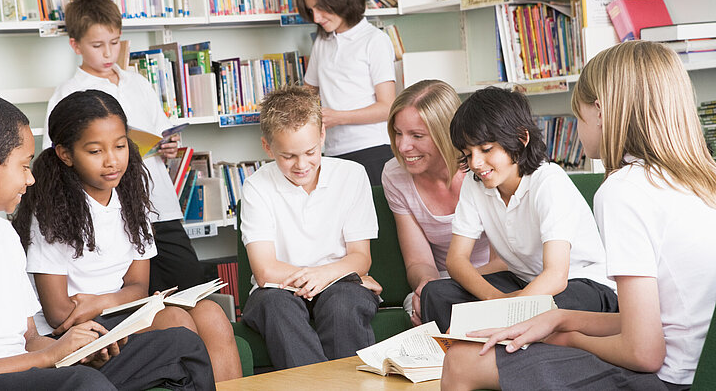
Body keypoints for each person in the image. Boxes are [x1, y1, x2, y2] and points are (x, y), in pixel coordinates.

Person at [442, 40, 716, 391]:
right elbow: (664, 322)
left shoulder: (624, 190)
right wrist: (562, 319)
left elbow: (644, 352)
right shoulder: (699, 179)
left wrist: (569, 337)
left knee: (462, 362)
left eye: (577, 115)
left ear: (601, 113)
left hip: (667, 379)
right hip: (697, 368)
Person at [0, 92, 215, 391]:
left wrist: (82, 349)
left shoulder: (2, 234)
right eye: (23, 166)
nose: (31, 178)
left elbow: (30, 339)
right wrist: (50, 356)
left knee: (180, 345)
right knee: (86, 384)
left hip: (29, 371)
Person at [13, 90, 241, 382]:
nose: (112, 161)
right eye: (95, 151)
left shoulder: (132, 198)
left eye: (120, 146)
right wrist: (113, 303)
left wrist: (99, 302)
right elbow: (59, 314)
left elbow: (137, 287)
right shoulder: (51, 213)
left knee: (212, 315)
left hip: (115, 311)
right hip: (72, 332)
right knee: (175, 320)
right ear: (65, 154)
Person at [42, 0, 203, 294]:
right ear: (75, 45)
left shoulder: (138, 83)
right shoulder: (69, 94)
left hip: (159, 206)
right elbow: (57, 159)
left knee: (191, 287)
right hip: (111, 213)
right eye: (97, 45)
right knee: (141, 297)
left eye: (114, 43)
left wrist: (169, 147)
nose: (108, 54)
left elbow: (162, 131)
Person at [420, 86, 618, 332]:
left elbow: (556, 275)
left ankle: (495, 348)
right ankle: (466, 351)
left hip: (580, 284)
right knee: (436, 293)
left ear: (521, 139)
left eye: (486, 149)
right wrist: (494, 299)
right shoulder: (476, 184)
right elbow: (456, 260)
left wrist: (505, 311)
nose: (476, 163)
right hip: (523, 283)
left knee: (556, 307)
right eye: (468, 153)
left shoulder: (548, 181)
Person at [240, 85, 381, 370]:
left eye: (310, 152)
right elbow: (265, 270)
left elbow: (360, 257)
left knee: (343, 303)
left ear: (322, 136)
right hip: (277, 291)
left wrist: (337, 278)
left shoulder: (352, 175)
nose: (301, 165)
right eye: (288, 156)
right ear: (267, 147)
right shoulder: (256, 185)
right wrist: (340, 277)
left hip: (339, 285)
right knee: (276, 306)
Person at [381, 79, 491, 327]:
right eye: (398, 133)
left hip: (495, 276)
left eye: (416, 135)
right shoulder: (394, 175)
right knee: (417, 304)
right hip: (443, 282)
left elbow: (506, 258)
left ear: (445, 133)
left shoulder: (483, 168)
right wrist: (427, 286)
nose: (403, 146)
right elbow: (418, 261)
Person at [296, 0, 396, 186]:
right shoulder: (322, 41)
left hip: (371, 150)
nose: (316, 18)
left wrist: (339, 117)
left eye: (321, 9)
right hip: (331, 152)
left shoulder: (374, 40)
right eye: (311, 10)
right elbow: (308, 92)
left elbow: (387, 107)